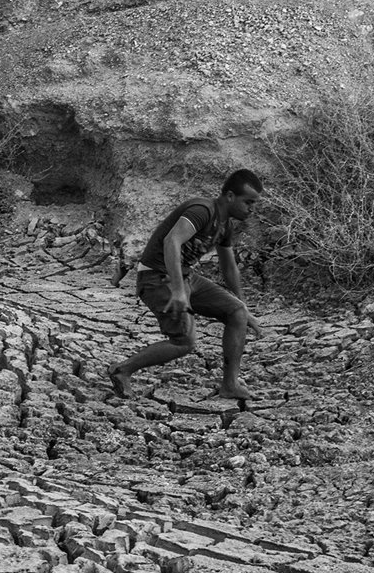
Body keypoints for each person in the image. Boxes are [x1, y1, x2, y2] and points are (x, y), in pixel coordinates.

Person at [108, 169, 265, 401]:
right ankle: (122, 370)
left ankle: (230, 385)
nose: (251, 209)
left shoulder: (225, 226)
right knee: (184, 341)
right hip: (156, 277)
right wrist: (179, 291)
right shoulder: (202, 210)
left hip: (186, 277)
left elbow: (229, 268)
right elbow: (172, 240)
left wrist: (242, 304)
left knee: (237, 313)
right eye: (248, 202)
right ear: (230, 196)